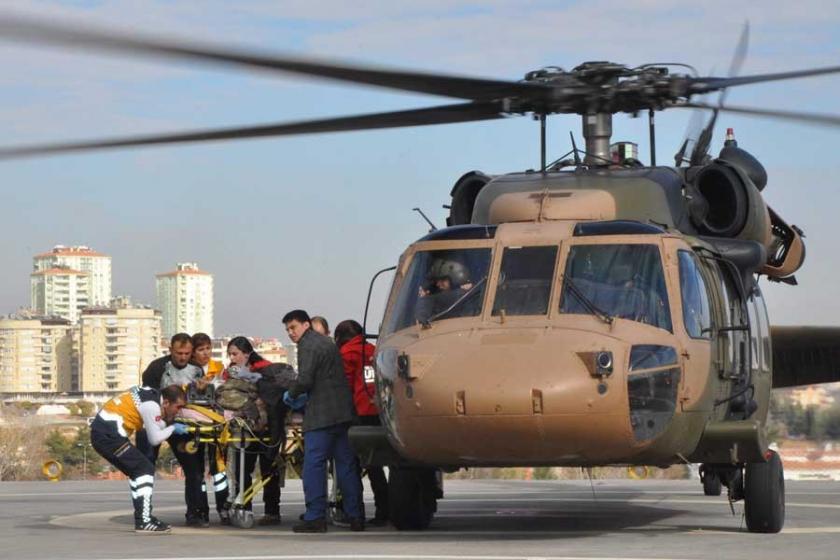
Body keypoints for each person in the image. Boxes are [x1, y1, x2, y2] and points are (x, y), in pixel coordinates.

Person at [283, 309, 364, 533]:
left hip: (321, 415)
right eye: (288, 329)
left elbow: (306, 379)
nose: (291, 333)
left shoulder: (307, 344)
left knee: (314, 465)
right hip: (343, 413)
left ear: (306, 325)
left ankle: (315, 516)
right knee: (346, 466)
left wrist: (291, 393)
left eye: (293, 327)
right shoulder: (327, 342)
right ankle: (355, 516)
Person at [90, 384, 188, 533]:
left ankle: (144, 517)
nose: (178, 411)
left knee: (139, 471)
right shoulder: (152, 406)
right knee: (144, 469)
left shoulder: (152, 397)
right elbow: (154, 439)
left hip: (106, 433)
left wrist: (168, 425)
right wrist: (173, 428)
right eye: (178, 407)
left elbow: (156, 424)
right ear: (166, 402)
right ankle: (143, 520)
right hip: (108, 436)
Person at [225, 336, 294, 526]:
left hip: (266, 428)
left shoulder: (266, 370)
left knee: (268, 469)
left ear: (247, 353)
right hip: (246, 428)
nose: (232, 358)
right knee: (242, 470)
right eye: (230, 354)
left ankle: (272, 511)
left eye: (235, 354)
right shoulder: (232, 372)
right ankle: (244, 507)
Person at [139, 333, 207, 527]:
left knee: (194, 469)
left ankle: (194, 513)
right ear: (171, 351)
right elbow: (147, 399)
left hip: (182, 425)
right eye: (179, 353)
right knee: (145, 468)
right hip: (155, 420)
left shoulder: (196, 370)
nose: (183, 357)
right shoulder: (156, 368)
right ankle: (144, 514)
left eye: (187, 353)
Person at [334, 319, 389, 526]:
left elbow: (345, 385)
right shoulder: (374, 350)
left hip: (360, 413)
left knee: (357, 465)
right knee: (379, 465)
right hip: (382, 411)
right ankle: (385, 508)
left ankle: (357, 511)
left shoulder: (347, 353)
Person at [189, 332, 229, 525]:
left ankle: (223, 508)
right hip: (194, 424)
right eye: (200, 349)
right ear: (193, 352)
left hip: (216, 423)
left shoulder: (218, 368)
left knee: (219, 467)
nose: (205, 353)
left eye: (208, 349)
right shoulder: (187, 370)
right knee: (197, 471)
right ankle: (200, 510)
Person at [415, 257, 475, 323]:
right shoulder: (432, 301)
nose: (438, 284)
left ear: (456, 279)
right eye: (437, 281)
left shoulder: (471, 298)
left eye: (443, 280)